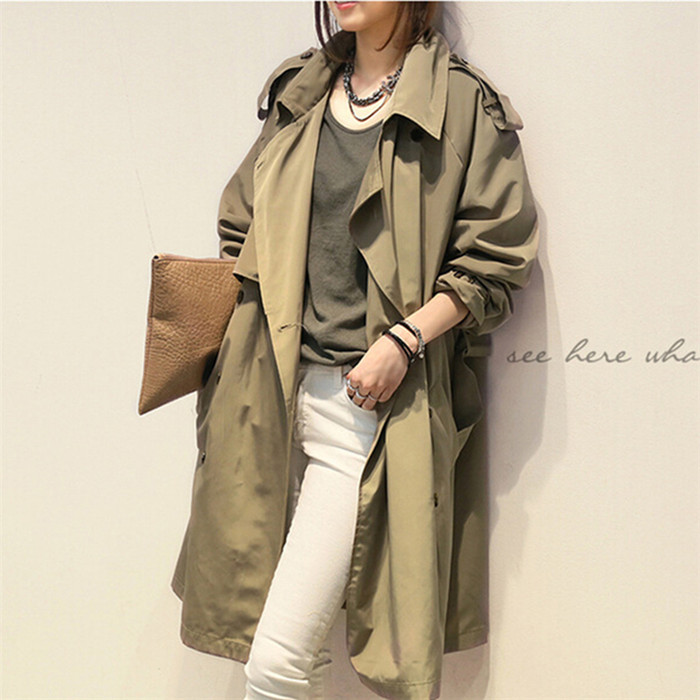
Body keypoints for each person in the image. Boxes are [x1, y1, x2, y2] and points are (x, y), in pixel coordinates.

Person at [171, 2, 539, 699]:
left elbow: (495, 260)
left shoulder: (461, 105)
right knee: (294, 655)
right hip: (266, 402)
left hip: (364, 416)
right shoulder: (301, 92)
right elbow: (240, 224)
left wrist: (405, 338)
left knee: (276, 665)